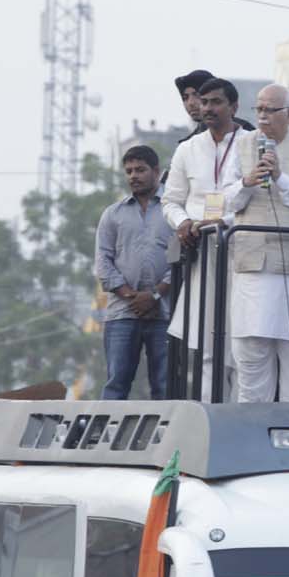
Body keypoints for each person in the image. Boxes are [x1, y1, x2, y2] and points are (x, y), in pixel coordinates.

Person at [224, 84, 289, 404]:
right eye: (259, 110)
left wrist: (281, 178)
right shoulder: (241, 146)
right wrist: (246, 182)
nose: (263, 117)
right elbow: (223, 200)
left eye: (271, 110)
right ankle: (251, 439)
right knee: (252, 359)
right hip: (252, 267)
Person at [162, 77, 247, 400]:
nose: (208, 108)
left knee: (242, 346)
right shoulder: (187, 149)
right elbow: (170, 201)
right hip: (202, 256)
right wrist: (183, 222)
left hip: (241, 253)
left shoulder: (252, 143)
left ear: (234, 107)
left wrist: (216, 222)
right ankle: (212, 418)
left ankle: (240, 419)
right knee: (208, 346)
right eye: (204, 102)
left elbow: (256, 198)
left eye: (216, 102)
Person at [94, 145, 172, 400]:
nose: (133, 176)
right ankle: (106, 438)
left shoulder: (173, 211)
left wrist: (155, 296)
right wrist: (132, 297)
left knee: (165, 386)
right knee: (116, 384)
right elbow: (103, 262)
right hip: (122, 313)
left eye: (140, 169)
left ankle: (166, 440)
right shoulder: (112, 214)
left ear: (156, 172)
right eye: (128, 171)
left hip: (165, 313)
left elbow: (184, 260)